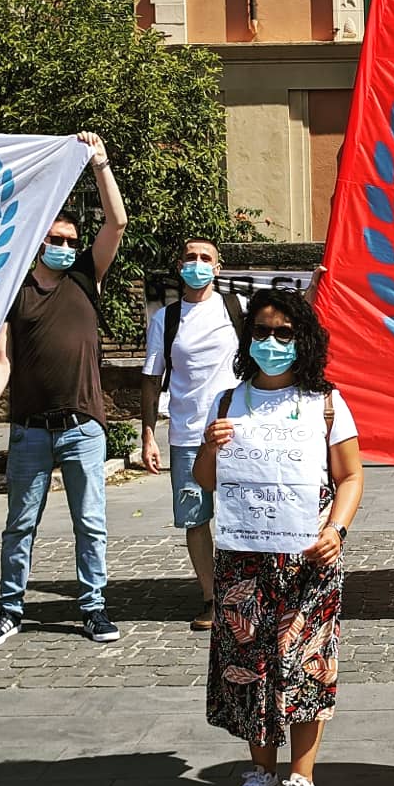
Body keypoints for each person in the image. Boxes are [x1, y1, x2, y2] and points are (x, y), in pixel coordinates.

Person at [0, 132, 127, 648]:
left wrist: (100, 163)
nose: (65, 248)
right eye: (56, 239)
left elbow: (115, 222)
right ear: (38, 241)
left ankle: (93, 607)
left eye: (71, 241)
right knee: (18, 526)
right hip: (29, 431)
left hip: (83, 428)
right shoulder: (15, 290)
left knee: (90, 525)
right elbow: (0, 361)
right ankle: (9, 609)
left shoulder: (87, 280)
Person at [194, 288, 363, 786]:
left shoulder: (326, 403)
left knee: (306, 663)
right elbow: (205, 482)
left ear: (303, 341)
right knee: (247, 666)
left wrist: (337, 529)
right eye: (262, 332)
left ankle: (301, 778)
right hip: (244, 558)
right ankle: (259, 771)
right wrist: (210, 447)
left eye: (284, 334)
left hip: (308, 560)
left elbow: (351, 477)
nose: (271, 342)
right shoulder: (228, 403)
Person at [140, 237, 245, 631]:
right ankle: (212, 598)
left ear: (217, 268)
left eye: (205, 258)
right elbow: (151, 381)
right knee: (196, 520)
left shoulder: (237, 308)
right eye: (190, 257)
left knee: (241, 517)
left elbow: (285, 329)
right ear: (179, 265)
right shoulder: (165, 320)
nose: (197, 264)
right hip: (186, 435)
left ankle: (243, 593)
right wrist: (148, 433)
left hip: (233, 432)